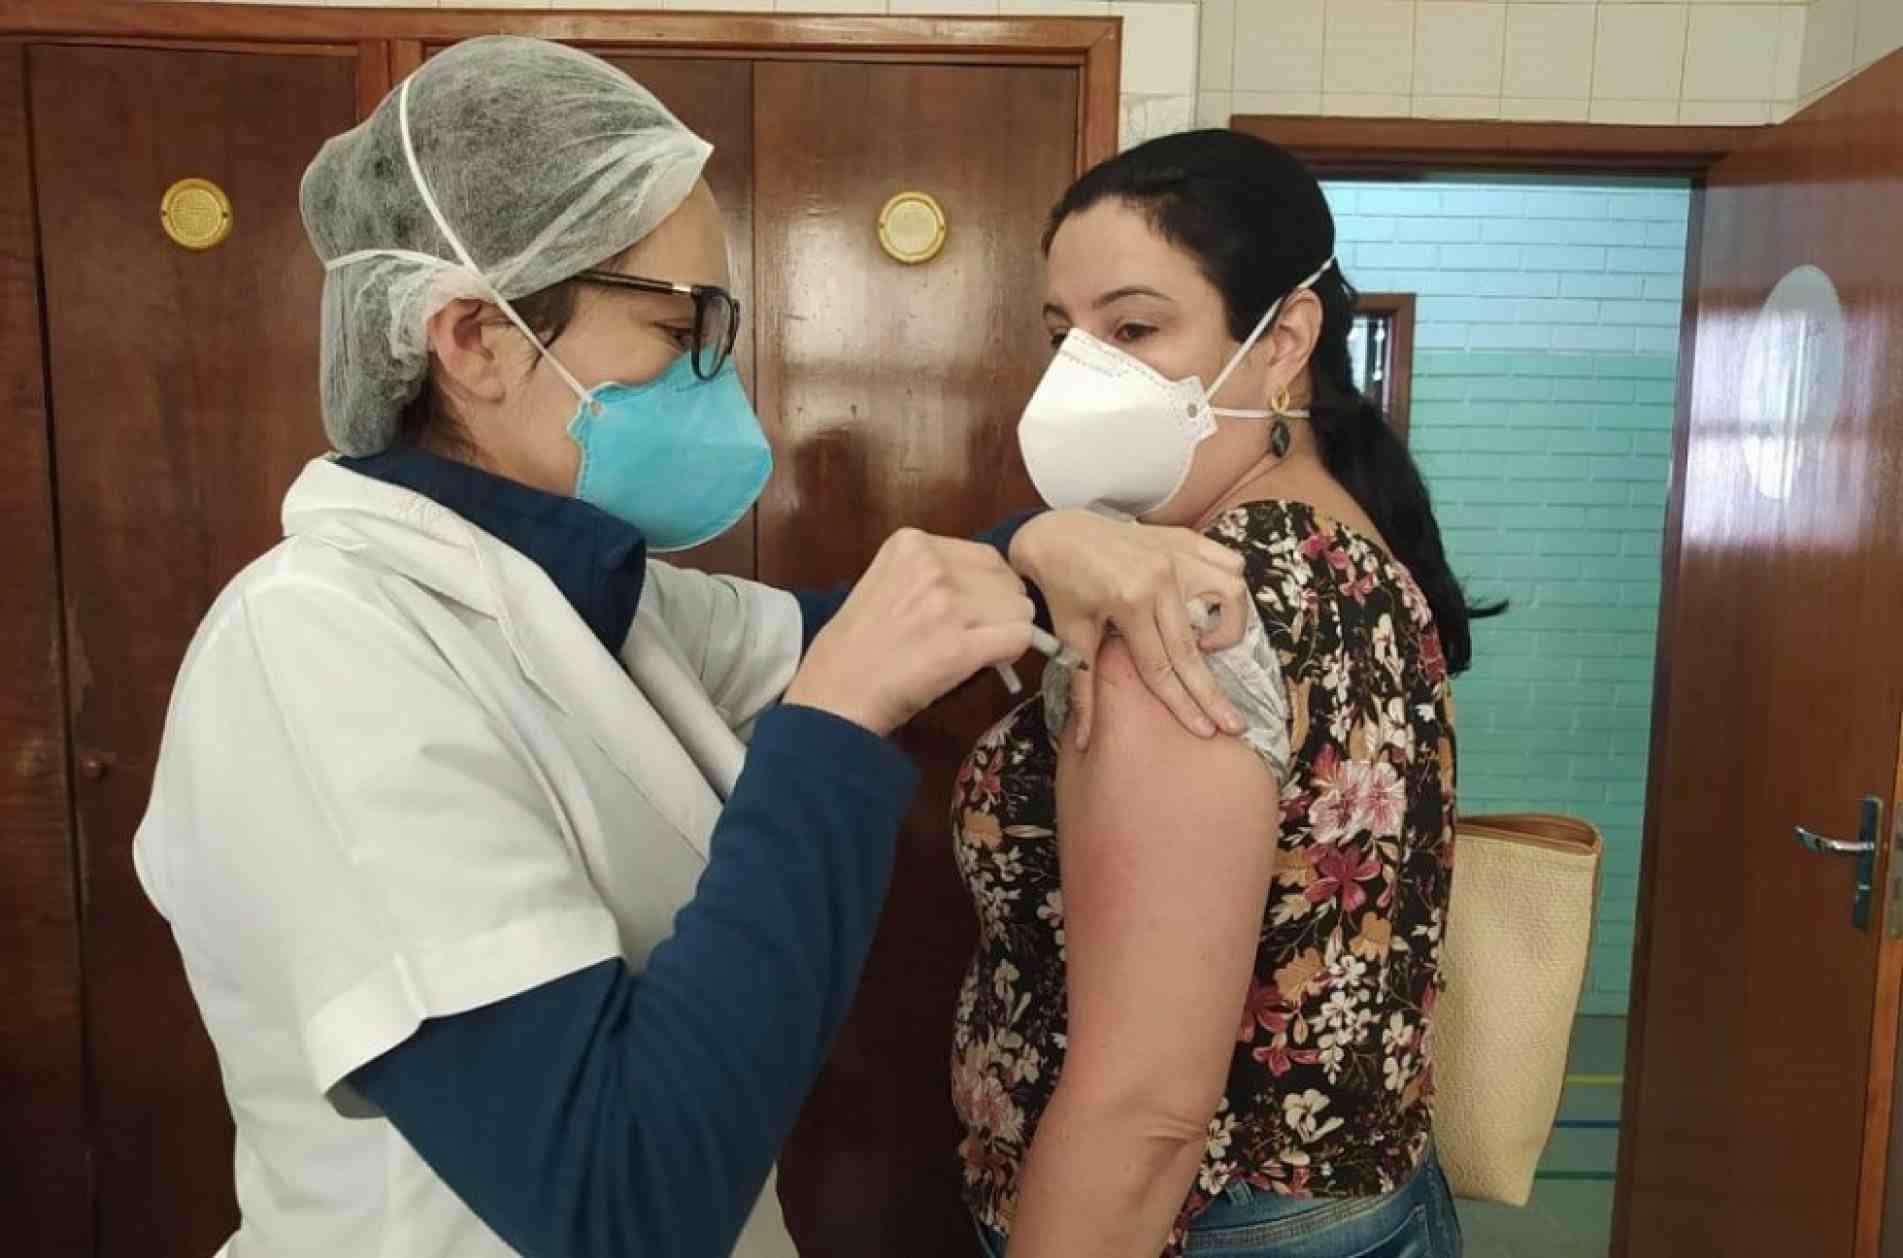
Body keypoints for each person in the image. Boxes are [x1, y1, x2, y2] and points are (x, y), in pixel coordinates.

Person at [132, 38, 1252, 1258]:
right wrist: (833, 723)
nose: (717, 380)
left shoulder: (590, 596)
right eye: (682, 329)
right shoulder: (319, 650)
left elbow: (852, 624)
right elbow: (619, 1202)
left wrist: (1038, 542)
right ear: (474, 339)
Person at [950, 130, 1489, 1258]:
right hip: (1362, 1197)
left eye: (1133, 330)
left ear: (1283, 339)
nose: (1080, 377)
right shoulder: (1348, 543)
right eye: (1063, 336)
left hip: (1195, 1228)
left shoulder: (1186, 607)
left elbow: (1145, 1113)